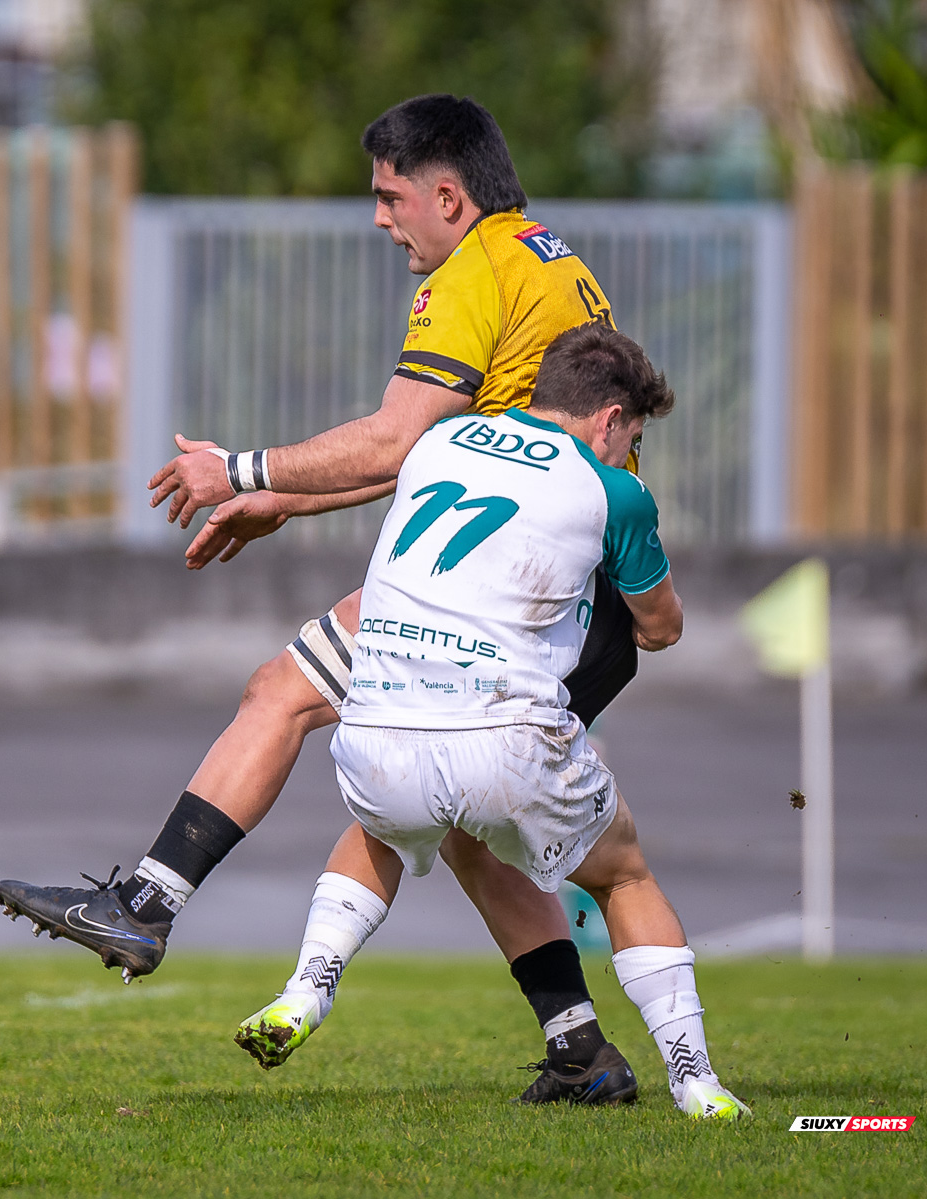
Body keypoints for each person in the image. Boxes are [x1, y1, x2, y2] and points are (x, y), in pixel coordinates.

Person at [0, 94, 645, 1104]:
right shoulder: (542, 256)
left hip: (517, 590)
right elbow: (440, 453)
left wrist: (238, 468)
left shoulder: (471, 274)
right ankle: (579, 1048)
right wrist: (276, 501)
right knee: (469, 817)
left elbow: (395, 442)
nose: (381, 221)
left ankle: (145, 904)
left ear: (448, 194)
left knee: (283, 693)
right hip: (564, 591)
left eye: (390, 199)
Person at [232, 323, 749, 1120]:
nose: (627, 452)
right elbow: (660, 627)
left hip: (374, 724)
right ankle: (696, 1080)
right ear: (610, 419)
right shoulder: (613, 491)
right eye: (632, 436)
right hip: (504, 738)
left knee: (385, 830)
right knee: (623, 874)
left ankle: (306, 989)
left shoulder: (442, 440)